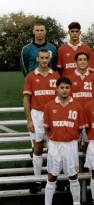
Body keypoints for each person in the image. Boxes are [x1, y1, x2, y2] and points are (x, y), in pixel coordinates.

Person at [23, 49, 60, 194]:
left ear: (49, 59)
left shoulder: (56, 75)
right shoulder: (31, 76)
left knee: (54, 150)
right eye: (42, 58)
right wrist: (29, 120)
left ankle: (53, 179)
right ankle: (37, 180)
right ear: (37, 59)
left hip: (53, 115)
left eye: (47, 58)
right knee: (38, 148)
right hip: (37, 115)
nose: (44, 60)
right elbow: (26, 99)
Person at [44, 77, 85, 205]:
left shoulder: (77, 106)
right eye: (62, 87)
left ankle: (76, 202)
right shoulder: (49, 106)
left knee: (73, 175)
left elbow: (79, 129)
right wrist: (54, 137)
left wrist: (70, 137)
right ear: (57, 89)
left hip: (70, 144)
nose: (64, 90)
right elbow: (47, 128)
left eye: (67, 87)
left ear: (70, 89)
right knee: (52, 176)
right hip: (55, 144)